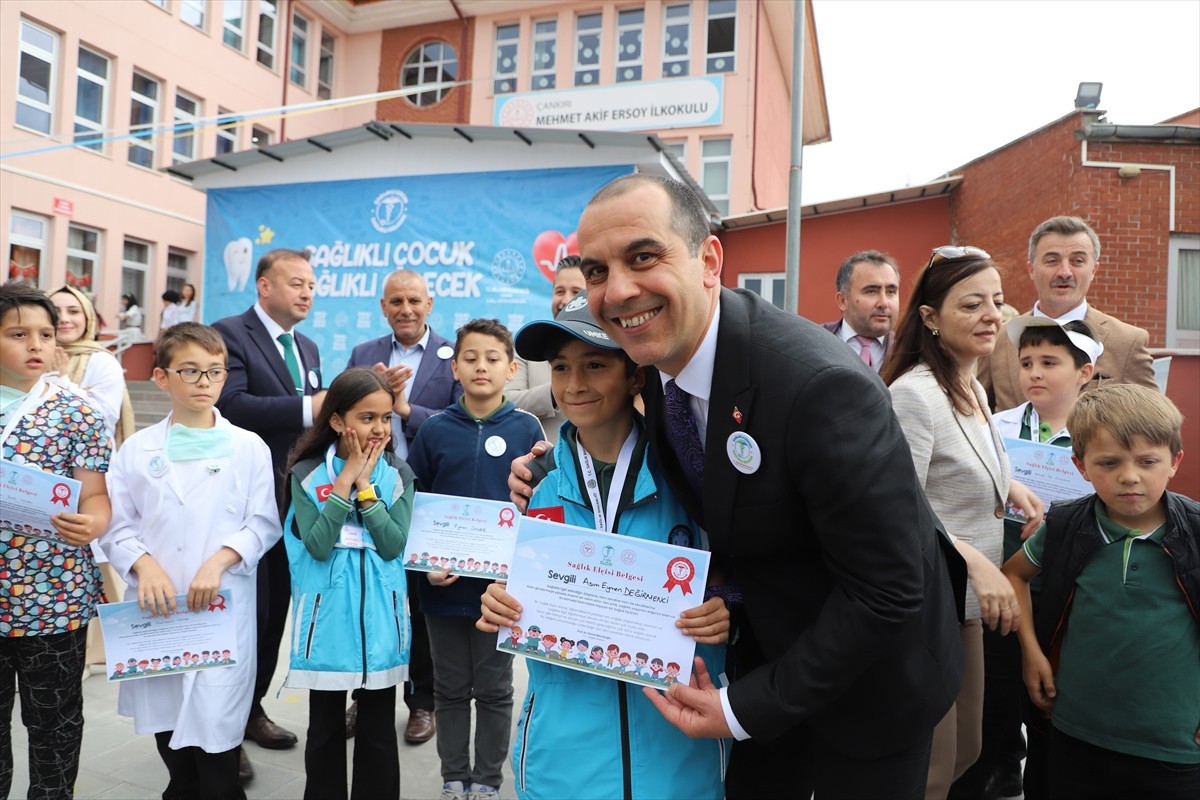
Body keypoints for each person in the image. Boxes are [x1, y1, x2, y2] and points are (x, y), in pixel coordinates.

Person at [511, 175, 967, 799]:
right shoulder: (653, 365)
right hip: (767, 659)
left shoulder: (818, 389)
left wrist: (741, 710)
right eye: (595, 271)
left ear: (709, 260)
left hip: (873, 686)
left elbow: (887, 590)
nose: (617, 291)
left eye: (643, 257)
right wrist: (550, 467)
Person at [479, 290, 730, 800]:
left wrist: (727, 605)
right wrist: (499, 598)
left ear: (635, 374)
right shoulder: (538, 481)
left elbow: (739, 573)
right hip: (563, 757)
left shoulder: (691, 474)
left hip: (676, 748)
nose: (574, 385)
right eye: (560, 367)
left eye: (595, 364)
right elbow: (518, 586)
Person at [882, 246, 1045, 798]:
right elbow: (896, 504)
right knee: (932, 765)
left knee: (969, 750)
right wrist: (973, 558)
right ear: (929, 317)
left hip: (967, 607)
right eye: (972, 304)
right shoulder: (914, 394)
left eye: (997, 301)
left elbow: (959, 465)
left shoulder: (970, 385)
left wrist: (1011, 485)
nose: (992, 315)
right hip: (930, 605)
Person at [102, 322, 282, 800]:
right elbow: (117, 526)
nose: (204, 382)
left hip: (219, 608)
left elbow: (264, 523)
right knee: (171, 734)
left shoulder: (249, 446)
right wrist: (146, 565)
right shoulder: (137, 450)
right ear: (161, 378)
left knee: (218, 734)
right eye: (190, 371)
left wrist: (219, 561)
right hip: (158, 610)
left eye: (214, 371)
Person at [1002, 384, 1198, 799]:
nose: (1129, 476)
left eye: (1148, 461)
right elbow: (1014, 575)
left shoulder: (1196, 532)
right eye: (1109, 463)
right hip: (1074, 736)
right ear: (1080, 465)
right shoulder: (1065, 528)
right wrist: (1031, 655)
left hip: (1175, 749)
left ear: (1175, 461)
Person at [954, 317, 1101, 800]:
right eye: (1026, 363)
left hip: (1064, 593)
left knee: (1049, 695)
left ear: (1085, 371)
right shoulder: (995, 427)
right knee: (994, 693)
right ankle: (995, 773)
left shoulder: (1100, 434)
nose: (1034, 373)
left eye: (1050, 363)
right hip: (999, 583)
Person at [406, 319, 543, 800]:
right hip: (441, 589)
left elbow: (538, 510)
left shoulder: (528, 428)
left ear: (512, 369)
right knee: (448, 687)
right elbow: (415, 504)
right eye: (470, 357)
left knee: (494, 687)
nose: (481, 366)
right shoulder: (434, 429)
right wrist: (424, 564)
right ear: (455, 367)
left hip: (499, 593)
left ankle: (486, 781)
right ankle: (452, 777)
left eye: (491, 358)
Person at [213, 248, 325, 778]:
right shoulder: (229, 334)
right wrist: (312, 407)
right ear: (263, 285)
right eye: (296, 283)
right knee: (240, 615)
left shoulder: (307, 345)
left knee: (274, 612)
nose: (306, 293)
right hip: (240, 506)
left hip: (292, 507)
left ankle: (252, 708)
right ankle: (224, 728)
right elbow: (229, 405)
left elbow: (309, 429)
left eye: (311, 285)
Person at [0, 282, 112, 799]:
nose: (36, 345)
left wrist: (93, 523)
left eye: (46, 334)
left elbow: (96, 497)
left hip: (54, 596)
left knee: (55, 724)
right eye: (18, 334)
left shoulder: (77, 410)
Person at [282, 367, 416, 800]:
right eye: (367, 417)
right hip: (327, 627)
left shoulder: (398, 475)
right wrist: (344, 482)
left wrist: (366, 490)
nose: (379, 429)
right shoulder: (305, 474)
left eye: (385, 418)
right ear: (338, 421)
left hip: (382, 624)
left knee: (378, 733)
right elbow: (318, 546)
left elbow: (393, 544)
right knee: (323, 732)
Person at [344, 268, 461, 744]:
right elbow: (345, 411)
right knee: (366, 600)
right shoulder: (363, 354)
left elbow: (458, 418)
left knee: (418, 605)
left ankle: (422, 702)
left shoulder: (452, 354)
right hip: (368, 495)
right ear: (383, 307)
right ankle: (362, 698)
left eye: (414, 300)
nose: (406, 309)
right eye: (396, 301)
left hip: (423, 497)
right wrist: (371, 395)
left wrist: (404, 407)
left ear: (430, 304)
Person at [984, 215, 1156, 410]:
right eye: (1052, 261)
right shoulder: (998, 339)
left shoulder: (1127, 343)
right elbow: (978, 420)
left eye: (1078, 261)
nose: (1064, 272)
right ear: (1031, 269)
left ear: (1093, 270)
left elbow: (1156, 428)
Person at [504, 255, 587, 441]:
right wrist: (556, 391)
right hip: (542, 463)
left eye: (576, 292)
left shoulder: (612, 345)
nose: (566, 300)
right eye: (559, 291)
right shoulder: (528, 347)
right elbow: (506, 401)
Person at [47, 284, 136, 446]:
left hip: (88, 462)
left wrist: (61, 381)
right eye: (54, 312)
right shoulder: (30, 355)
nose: (64, 319)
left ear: (88, 317)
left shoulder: (102, 361)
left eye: (73, 311)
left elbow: (102, 417)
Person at [821, 249, 901, 372]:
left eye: (891, 292)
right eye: (871, 291)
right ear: (842, 301)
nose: (884, 303)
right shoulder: (814, 344)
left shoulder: (911, 352)